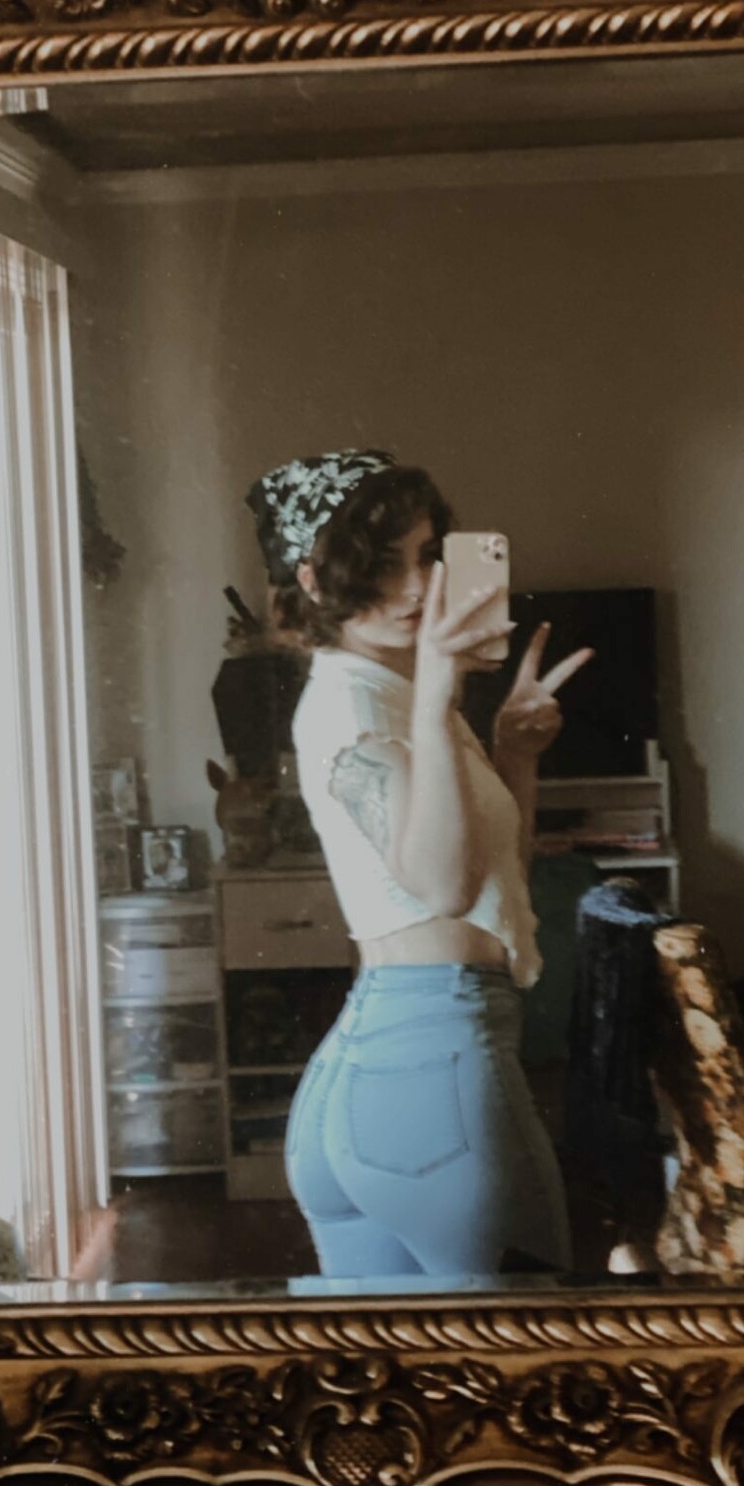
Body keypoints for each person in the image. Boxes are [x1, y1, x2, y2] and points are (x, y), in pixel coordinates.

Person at [246, 449, 593, 1281]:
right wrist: (439, 698)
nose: (415, 587)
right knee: (527, 1353)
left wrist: (513, 754)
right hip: (437, 1067)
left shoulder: (388, 691)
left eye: (427, 555)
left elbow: (488, 877)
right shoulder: (359, 701)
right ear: (315, 582)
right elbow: (443, 887)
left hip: (383, 1070)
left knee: (386, 1365)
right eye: (378, 564)